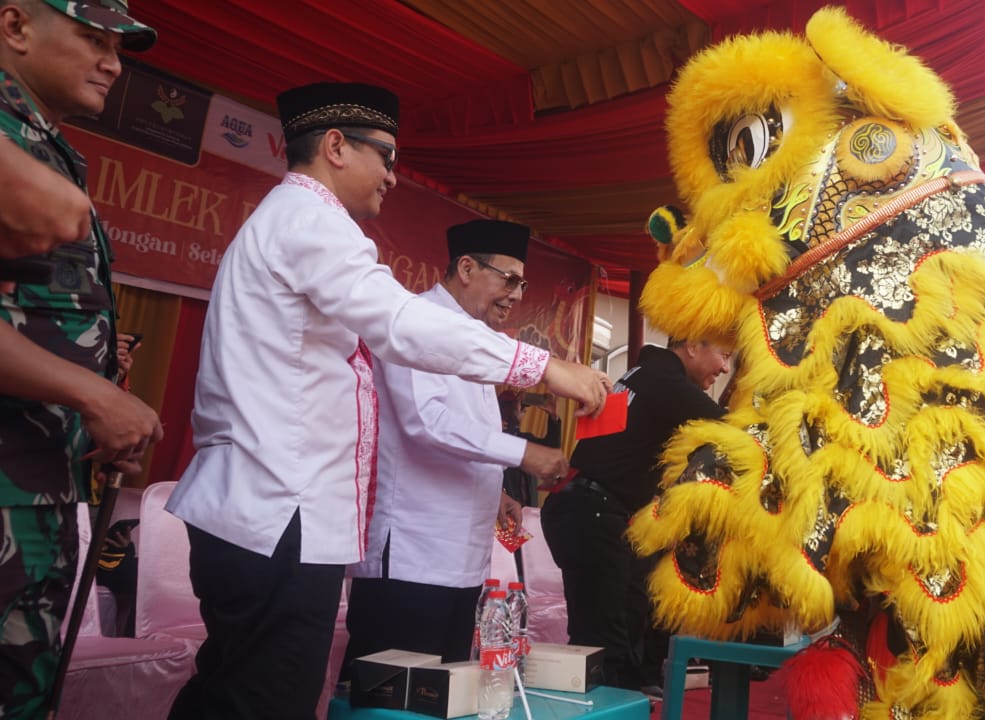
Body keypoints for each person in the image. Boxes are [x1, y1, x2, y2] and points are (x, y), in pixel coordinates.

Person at [164, 83, 608, 720]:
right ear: (337, 147)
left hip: (277, 510)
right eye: (388, 157)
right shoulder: (309, 221)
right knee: (263, 697)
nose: (394, 177)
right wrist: (545, 367)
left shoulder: (293, 220)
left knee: (238, 690)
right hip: (275, 510)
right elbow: (402, 326)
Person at [0, 2, 161, 717]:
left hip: (39, 481)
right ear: (14, 27)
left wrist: (95, 404)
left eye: (118, 46)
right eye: (92, 39)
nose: (113, 62)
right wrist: (94, 397)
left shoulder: (46, 144)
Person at [342, 219, 570, 669]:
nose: (517, 294)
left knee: (439, 692)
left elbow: (466, 428)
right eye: (509, 279)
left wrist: (497, 490)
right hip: (410, 553)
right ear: (466, 268)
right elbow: (427, 422)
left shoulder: (471, 333)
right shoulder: (418, 322)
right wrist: (523, 454)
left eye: (522, 283)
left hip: (460, 557)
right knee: (389, 699)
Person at [541, 339, 731, 691]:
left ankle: (627, 690)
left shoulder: (639, 374)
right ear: (693, 346)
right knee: (604, 642)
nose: (724, 368)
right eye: (723, 355)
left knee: (624, 621)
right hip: (591, 512)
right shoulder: (665, 382)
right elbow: (736, 430)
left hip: (583, 506)